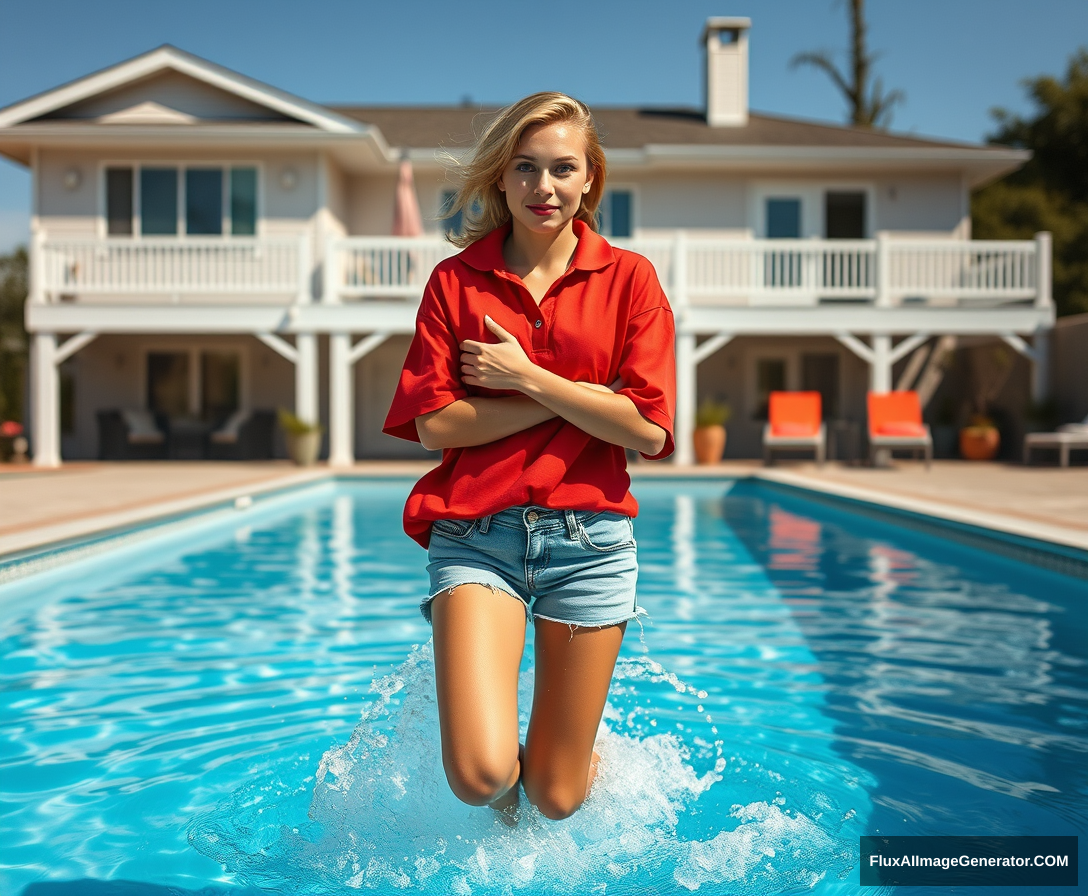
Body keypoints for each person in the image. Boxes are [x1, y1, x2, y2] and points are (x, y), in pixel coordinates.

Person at [382, 92, 675, 822]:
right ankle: (538, 749)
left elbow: (647, 431)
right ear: (501, 180)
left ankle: (569, 757)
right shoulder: (455, 282)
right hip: (477, 539)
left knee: (555, 797)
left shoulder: (631, 281)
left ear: (588, 181)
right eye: (525, 168)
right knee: (481, 777)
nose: (543, 187)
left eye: (562, 169)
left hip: (592, 545)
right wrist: (582, 399)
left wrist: (527, 378)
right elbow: (437, 426)